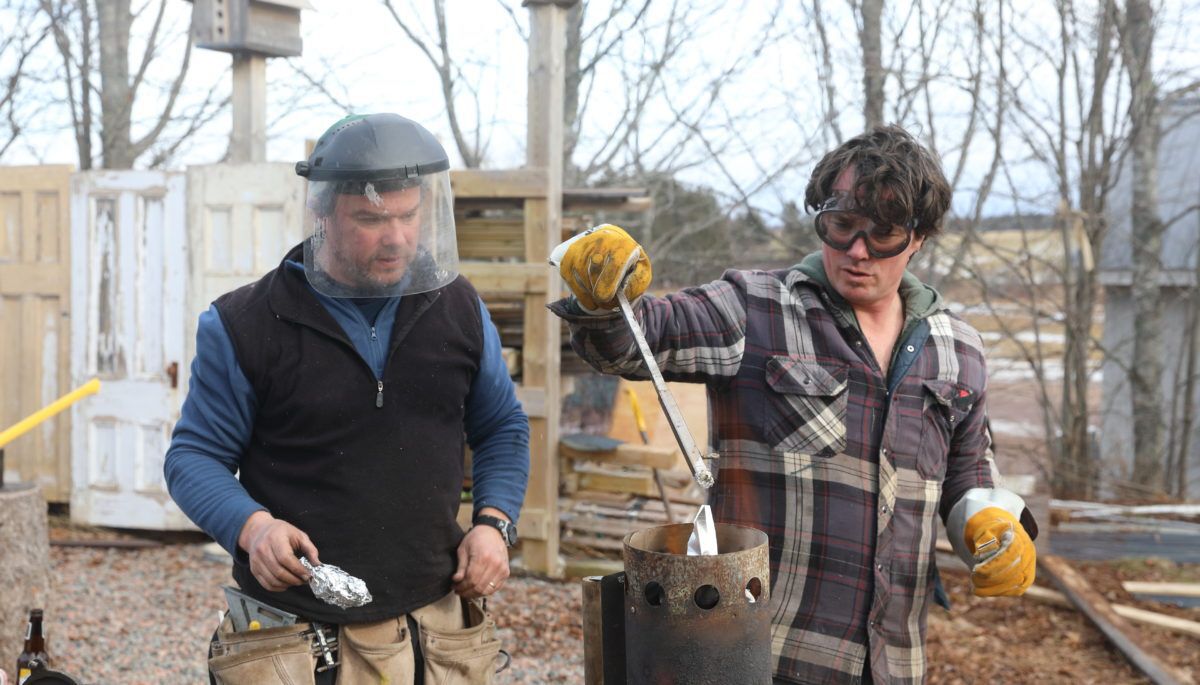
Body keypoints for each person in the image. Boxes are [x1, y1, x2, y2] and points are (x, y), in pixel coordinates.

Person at [550, 125, 1036, 684]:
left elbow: (968, 473)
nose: (857, 251)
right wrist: (605, 296)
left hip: (895, 664)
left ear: (918, 237)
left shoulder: (959, 350)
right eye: (841, 226)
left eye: (881, 234)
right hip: (759, 661)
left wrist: (992, 522)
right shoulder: (753, 310)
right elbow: (637, 340)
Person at [164, 113, 529, 684]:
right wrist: (253, 527)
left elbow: (502, 426)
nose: (397, 238)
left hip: (436, 629)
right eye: (371, 219)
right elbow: (192, 458)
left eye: (409, 216)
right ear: (322, 213)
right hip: (295, 635)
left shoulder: (458, 306)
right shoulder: (243, 323)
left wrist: (494, 522)